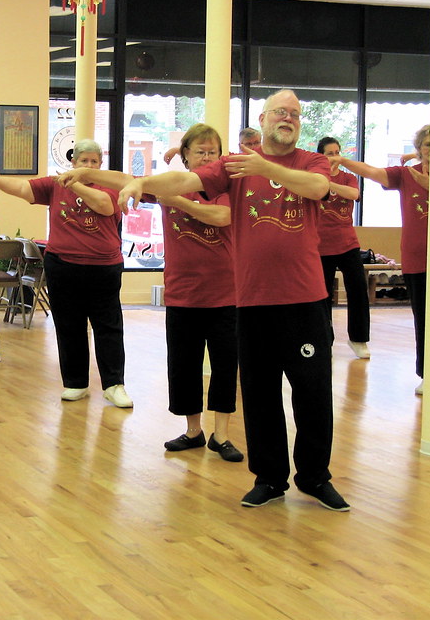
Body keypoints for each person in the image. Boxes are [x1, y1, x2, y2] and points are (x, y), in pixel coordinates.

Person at [118, 90, 349, 511]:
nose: (289, 118)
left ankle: (315, 478)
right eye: (281, 112)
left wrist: (266, 166)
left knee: (313, 394)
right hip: (253, 302)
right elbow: (187, 181)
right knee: (259, 396)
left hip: (304, 301)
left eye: (295, 114)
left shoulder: (310, 162)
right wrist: (143, 182)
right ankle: (270, 479)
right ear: (263, 118)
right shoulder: (233, 166)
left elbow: (318, 188)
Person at [59, 124, 242, 460]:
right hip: (182, 293)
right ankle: (193, 431)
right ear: (186, 155)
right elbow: (128, 180)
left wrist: (179, 203)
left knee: (224, 366)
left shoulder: (225, 187)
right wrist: (86, 173)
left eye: (212, 151)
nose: (206, 157)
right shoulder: (169, 185)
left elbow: (223, 217)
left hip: (224, 294)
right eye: (199, 151)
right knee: (184, 365)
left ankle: (222, 435)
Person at [0, 139, 132, 408]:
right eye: (83, 161)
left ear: (100, 164)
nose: (88, 165)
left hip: (103, 267)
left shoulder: (109, 185)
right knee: (69, 325)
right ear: (73, 162)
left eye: (93, 161)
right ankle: (75, 383)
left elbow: (104, 205)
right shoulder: (54, 186)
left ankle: (114, 385)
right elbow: (23, 188)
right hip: (63, 265)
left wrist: (75, 182)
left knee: (108, 327)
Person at [341, 125, 430, 400]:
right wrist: (342, 161)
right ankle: (427, 375)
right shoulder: (404, 175)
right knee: (424, 319)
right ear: (420, 149)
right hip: (416, 259)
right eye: (427, 146)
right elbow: (372, 172)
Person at [316, 137, 370, 359]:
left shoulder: (348, 178)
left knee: (358, 289)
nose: (334, 157)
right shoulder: (316, 178)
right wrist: (325, 181)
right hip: (321, 246)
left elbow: (353, 195)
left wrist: (332, 185)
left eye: (337, 152)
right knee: (323, 296)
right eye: (330, 153)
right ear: (321, 156)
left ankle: (358, 339)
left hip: (348, 243)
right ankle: (324, 340)